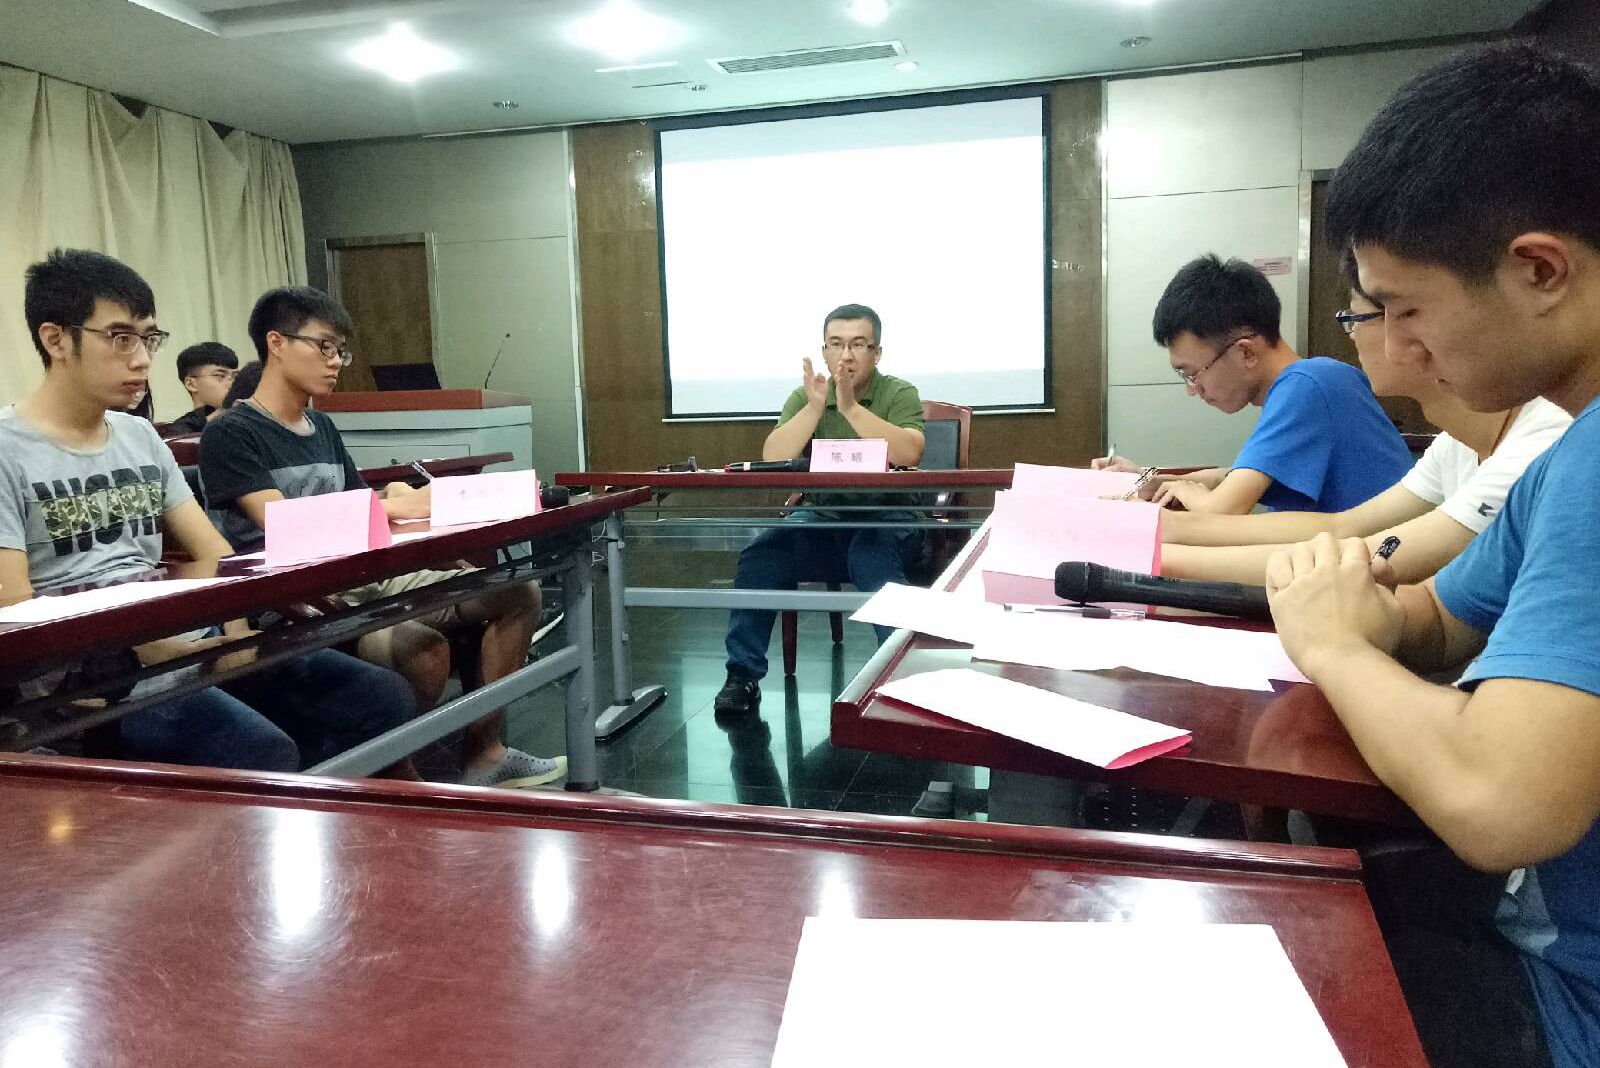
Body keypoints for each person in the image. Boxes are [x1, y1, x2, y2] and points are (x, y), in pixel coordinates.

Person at [1267, 44, 1600, 1068]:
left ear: (1538, 270)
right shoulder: (1566, 451)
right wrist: (1369, 612)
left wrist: (1335, 647)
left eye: (1406, 307)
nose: (1401, 349)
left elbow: (1500, 804)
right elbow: (1442, 615)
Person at [1, 248, 412, 772]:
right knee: (262, 749)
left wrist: (233, 630)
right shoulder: (9, 450)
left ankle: (303, 803)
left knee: (381, 697)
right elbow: (17, 609)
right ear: (55, 339)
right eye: (121, 338)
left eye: (148, 338)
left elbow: (215, 553)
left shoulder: (138, 437)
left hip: (181, 641)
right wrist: (153, 650)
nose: (142, 359)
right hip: (86, 679)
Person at [199, 286, 563, 789]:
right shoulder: (232, 432)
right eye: (324, 346)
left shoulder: (321, 426)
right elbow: (282, 521)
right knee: (422, 649)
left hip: (361, 577)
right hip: (297, 597)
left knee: (518, 591)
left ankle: (485, 752)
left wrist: (406, 517)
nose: (336, 361)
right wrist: (397, 505)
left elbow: (360, 511)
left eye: (340, 350)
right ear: (276, 343)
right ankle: (389, 771)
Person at [1160, 282, 1569, 585]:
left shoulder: (1545, 440)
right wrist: (1168, 531)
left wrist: (1157, 550)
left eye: (1356, 319)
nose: (1353, 335)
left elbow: (1368, 553)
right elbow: (1344, 527)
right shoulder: (1454, 446)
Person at [714, 303, 926, 716]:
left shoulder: (898, 392)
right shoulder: (808, 395)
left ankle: (901, 677)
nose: (846, 355)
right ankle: (742, 675)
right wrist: (815, 408)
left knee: (870, 554)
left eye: (858, 345)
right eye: (836, 344)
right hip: (823, 518)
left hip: (889, 517)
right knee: (763, 553)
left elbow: (909, 452)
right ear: (824, 351)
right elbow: (773, 455)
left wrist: (849, 408)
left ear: (877, 353)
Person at [1095, 255, 1413, 514]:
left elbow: (1222, 511)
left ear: (1245, 352)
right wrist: (1148, 480)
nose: (1192, 389)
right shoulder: (1320, 379)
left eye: (1192, 373)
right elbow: (1234, 476)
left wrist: (1179, 495)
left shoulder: (1306, 386)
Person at [166, 341, 240, 435]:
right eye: (220, 376)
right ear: (191, 384)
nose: (232, 383)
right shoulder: (180, 432)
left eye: (235, 377)